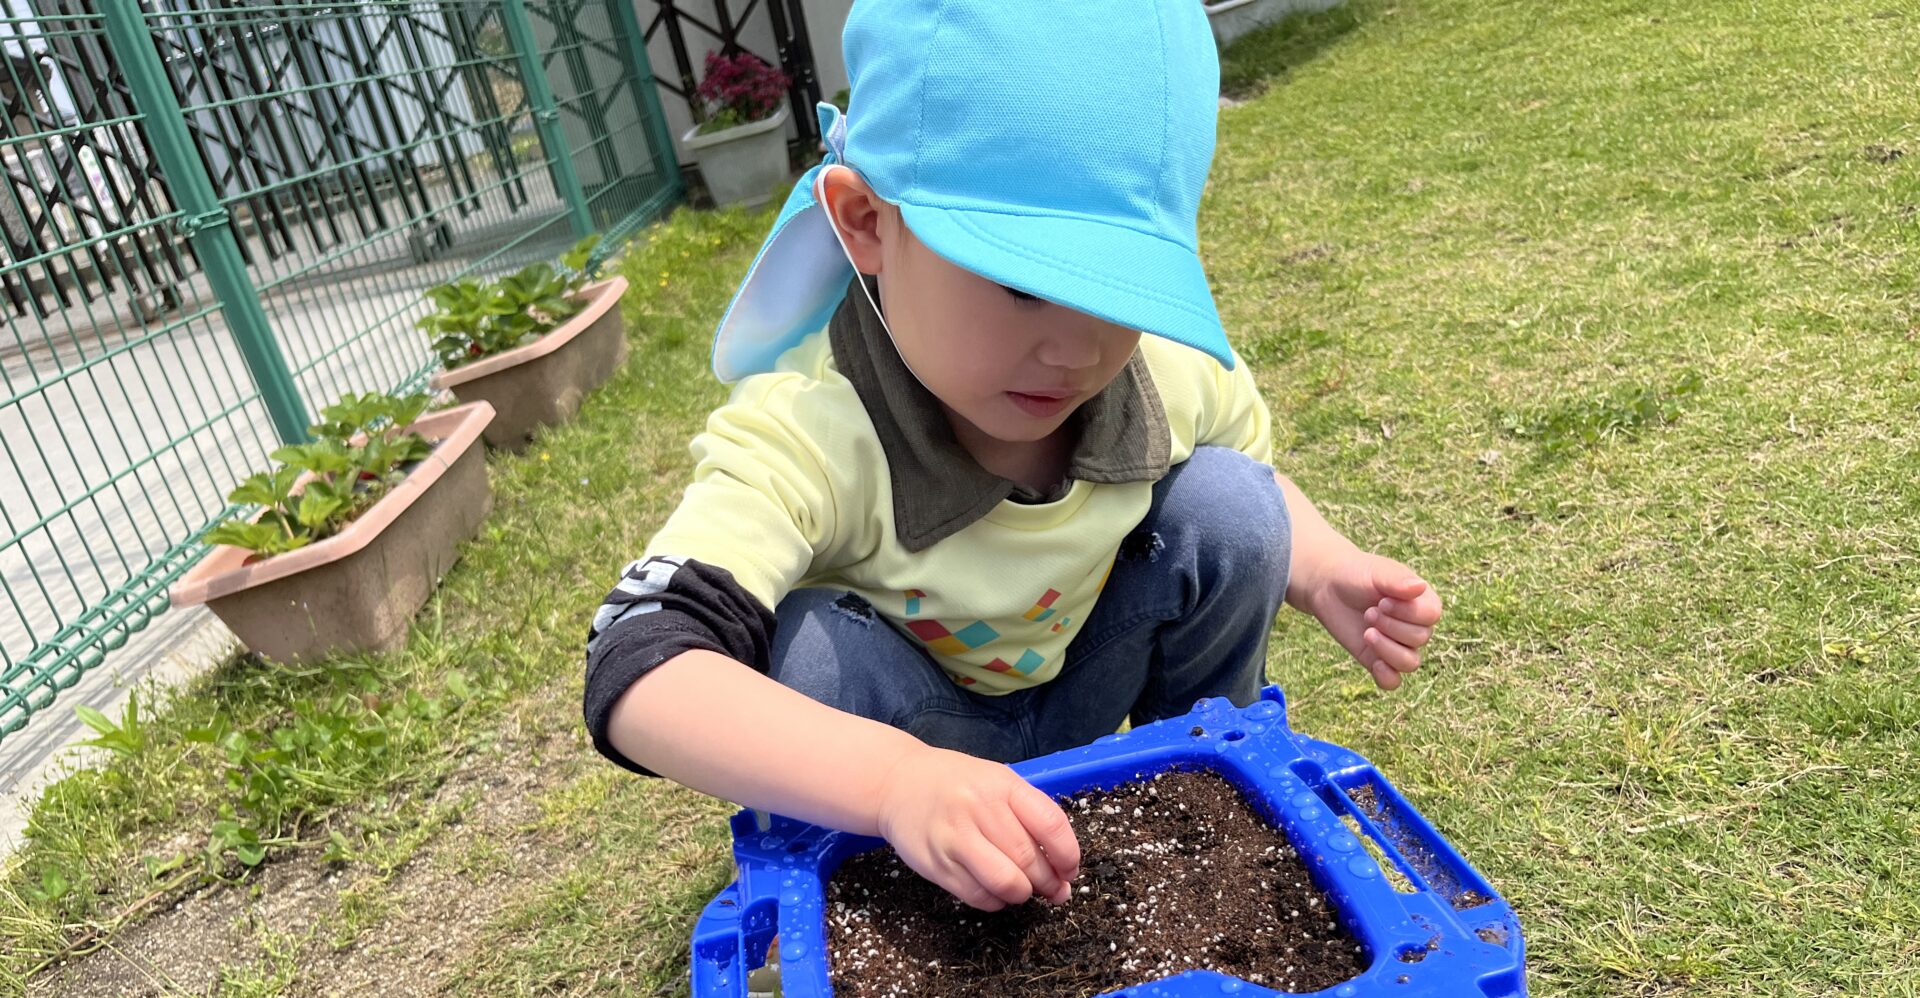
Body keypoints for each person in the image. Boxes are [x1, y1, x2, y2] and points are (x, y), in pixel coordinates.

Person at [583, 0, 1440, 923]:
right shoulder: (811, 428)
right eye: (1022, 284)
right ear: (867, 222)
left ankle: (1207, 797)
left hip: (1081, 688)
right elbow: (641, 660)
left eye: (1118, 289)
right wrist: (896, 783)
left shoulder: (1161, 375)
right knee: (805, 649)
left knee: (1232, 502)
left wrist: (1325, 568)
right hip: (913, 740)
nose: (1076, 351)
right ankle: (862, 890)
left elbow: (1251, 489)